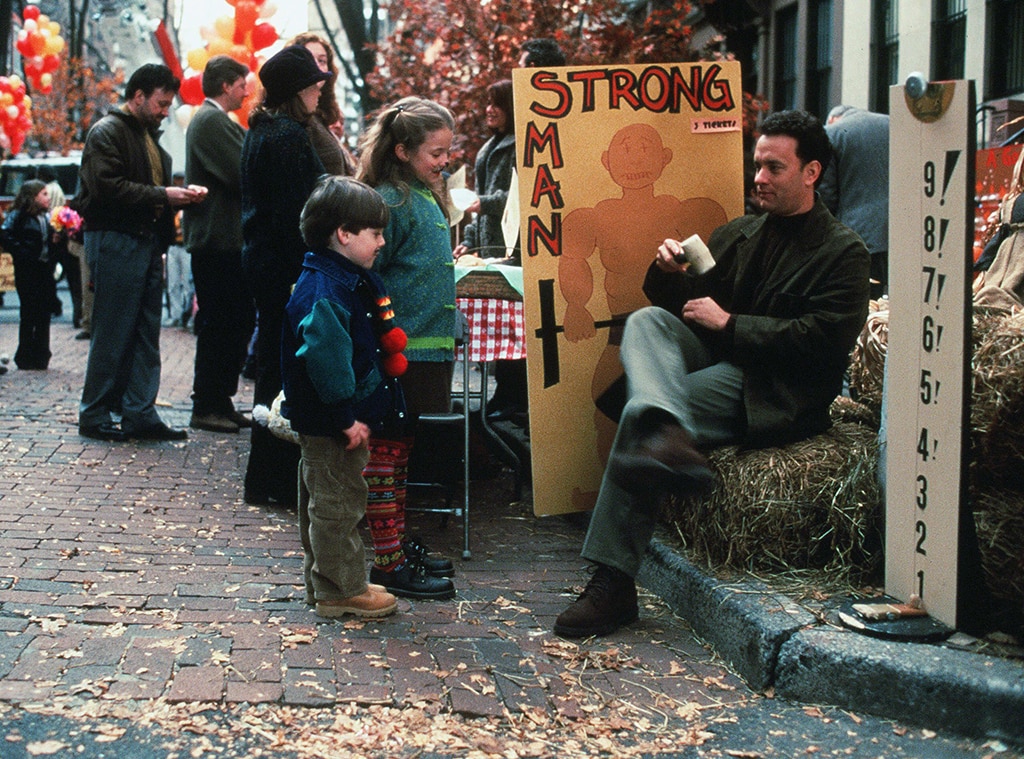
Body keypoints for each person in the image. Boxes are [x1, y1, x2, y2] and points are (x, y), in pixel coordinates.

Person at [553, 110, 871, 639]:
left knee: (639, 420)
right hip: (719, 360)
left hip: (773, 386)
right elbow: (675, 307)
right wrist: (668, 273)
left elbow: (823, 343)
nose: (759, 179)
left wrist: (732, 324)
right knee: (649, 321)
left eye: (774, 168)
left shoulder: (844, 252)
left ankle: (614, 582)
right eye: (757, 166)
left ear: (811, 172)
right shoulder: (742, 233)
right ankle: (667, 424)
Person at [281, 175, 400, 619]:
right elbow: (328, 363)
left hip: (325, 420)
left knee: (326, 500)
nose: (383, 242)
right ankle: (340, 589)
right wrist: (346, 416)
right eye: (375, 233)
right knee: (338, 504)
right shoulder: (327, 291)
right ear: (344, 234)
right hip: (332, 422)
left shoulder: (330, 280)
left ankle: (329, 579)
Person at [356, 97, 458, 599]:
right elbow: (371, 272)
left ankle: (391, 548)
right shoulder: (392, 202)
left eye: (447, 151)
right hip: (403, 349)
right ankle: (387, 559)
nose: (444, 161)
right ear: (402, 150)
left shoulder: (418, 196)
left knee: (401, 452)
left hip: (425, 347)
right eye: (436, 152)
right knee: (387, 454)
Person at [76, 64, 206, 442]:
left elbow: (121, 187)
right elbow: (106, 188)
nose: (166, 110)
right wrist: (166, 197)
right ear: (138, 97)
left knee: (144, 331)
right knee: (114, 329)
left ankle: (137, 412)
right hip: (118, 239)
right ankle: (98, 412)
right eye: (161, 103)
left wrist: (169, 201)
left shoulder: (138, 134)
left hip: (141, 240)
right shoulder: (109, 132)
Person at [240, 45, 331, 505]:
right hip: (286, 266)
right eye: (314, 85)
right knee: (285, 370)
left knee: (272, 367)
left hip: (266, 262)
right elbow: (302, 212)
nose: (320, 91)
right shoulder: (289, 137)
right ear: (296, 91)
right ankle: (277, 479)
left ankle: (267, 478)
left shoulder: (263, 131)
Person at [183, 54, 256, 435]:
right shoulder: (210, 121)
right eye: (242, 84)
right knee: (221, 322)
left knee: (232, 321)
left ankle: (219, 400)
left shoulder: (212, 120)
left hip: (222, 241)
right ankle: (208, 403)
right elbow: (242, 169)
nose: (246, 91)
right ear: (226, 85)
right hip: (218, 243)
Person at [452, 79, 527, 421]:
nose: (489, 109)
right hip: (489, 244)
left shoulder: (519, 144)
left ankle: (512, 395)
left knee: (511, 324)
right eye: (487, 102)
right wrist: (469, 238)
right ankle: (504, 394)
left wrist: (482, 205)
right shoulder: (491, 145)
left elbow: (518, 196)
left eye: (497, 103)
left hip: (510, 246)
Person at [819, 104, 889, 299]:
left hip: (859, 234)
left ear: (833, 119)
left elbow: (827, 193)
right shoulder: (893, 124)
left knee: (866, 300)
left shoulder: (832, 133)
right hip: (902, 231)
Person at [1, 180, 55, 370]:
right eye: (44, 194)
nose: (48, 198)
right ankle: (25, 355)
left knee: (43, 312)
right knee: (29, 312)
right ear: (33, 197)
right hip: (28, 270)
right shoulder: (19, 216)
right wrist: (23, 253)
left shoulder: (46, 217)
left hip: (44, 269)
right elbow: (6, 235)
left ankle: (41, 354)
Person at [287, 32, 357, 177]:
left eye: (322, 61)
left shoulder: (321, 117)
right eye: (310, 59)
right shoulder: (294, 116)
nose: (317, 66)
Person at [164, 172, 194, 328]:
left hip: (185, 247)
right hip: (173, 246)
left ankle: (187, 315)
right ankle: (175, 315)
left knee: (188, 284)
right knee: (173, 283)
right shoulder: (171, 206)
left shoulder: (187, 205)